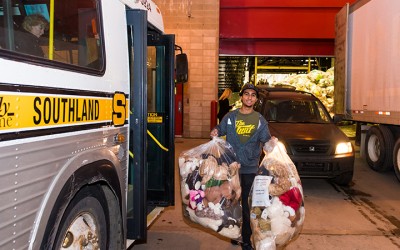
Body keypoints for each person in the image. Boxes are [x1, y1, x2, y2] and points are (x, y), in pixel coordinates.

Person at [210, 83, 272, 250]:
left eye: (253, 95)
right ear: (242, 97)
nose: (249, 97)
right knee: (231, 203)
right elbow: (219, 128)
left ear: (256, 99)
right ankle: (233, 231)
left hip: (250, 168)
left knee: (247, 205)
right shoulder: (230, 117)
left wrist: (273, 144)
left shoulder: (260, 120)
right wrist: (215, 131)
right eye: (246, 94)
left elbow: (266, 140)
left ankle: (246, 239)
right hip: (231, 169)